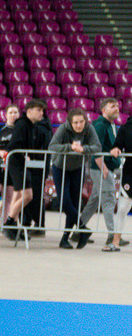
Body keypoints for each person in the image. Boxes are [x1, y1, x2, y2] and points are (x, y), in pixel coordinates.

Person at [48, 108, 101, 249]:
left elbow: (97, 147)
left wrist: (84, 149)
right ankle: (83, 229)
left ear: (85, 121)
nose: (78, 125)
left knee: (75, 203)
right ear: (70, 122)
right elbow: (52, 146)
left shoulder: (89, 129)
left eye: (81, 122)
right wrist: (69, 147)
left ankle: (65, 238)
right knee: (65, 202)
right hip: (60, 167)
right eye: (75, 122)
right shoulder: (63, 129)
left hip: (77, 168)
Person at [1, 99, 52, 241]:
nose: (42, 113)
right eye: (39, 110)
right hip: (17, 163)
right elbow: (15, 145)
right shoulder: (23, 124)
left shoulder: (30, 125)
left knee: (18, 194)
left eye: (42, 110)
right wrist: (24, 155)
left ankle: (11, 226)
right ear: (29, 111)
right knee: (28, 195)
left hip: (20, 163)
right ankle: (9, 223)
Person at [81, 98, 122, 249]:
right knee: (109, 198)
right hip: (100, 168)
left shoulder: (111, 125)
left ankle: (78, 229)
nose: (117, 108)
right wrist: (104, 168)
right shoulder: (99, 125)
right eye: (113, 106)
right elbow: (95, 149)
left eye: (117, 106)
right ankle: (112, 235)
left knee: (94, 200)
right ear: (104, 110)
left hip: (104, 168)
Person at [107, 116, 132, 251]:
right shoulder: (125, 128)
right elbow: (117, 145)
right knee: (122, 208)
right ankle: (115, 242)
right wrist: (115, 149)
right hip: (130, 172)